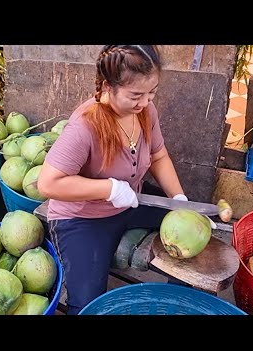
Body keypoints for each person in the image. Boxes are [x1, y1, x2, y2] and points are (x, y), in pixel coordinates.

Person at [37, 45, 190, 315]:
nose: (144, 102)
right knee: (88, 307)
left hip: (132, 200)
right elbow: (48, 183)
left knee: (194, 229)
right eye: (135, 95)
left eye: (152, 92)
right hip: (83, 218)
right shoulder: (84, 126)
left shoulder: (146, 112)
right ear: (108, 86)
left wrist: (179, 200)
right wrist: (107, 188)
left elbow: (158, 156)